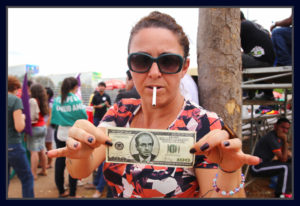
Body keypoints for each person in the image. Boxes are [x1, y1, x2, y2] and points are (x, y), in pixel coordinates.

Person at [48, 11, 260, 198]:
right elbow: (80, 170)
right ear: (130, 66)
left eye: (168, 61)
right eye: (141, 61)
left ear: (184, 67)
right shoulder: (120, 113)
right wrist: (80, 152)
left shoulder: (205, 126)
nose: (154, 72)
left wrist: (229, 172)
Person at [50, 77, 88, 198]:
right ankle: (72, 193)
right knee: (73, 162)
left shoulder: (57, 100)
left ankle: (61, 191)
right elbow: (84, 116)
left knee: (59, 161)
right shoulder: (76, 100)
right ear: (75, 87)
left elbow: (54, 118)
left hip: (60, 134)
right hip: (74, 134)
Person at [250, 118, 292, 198]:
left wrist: (284, 144)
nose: (285, 131)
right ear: (275, 126)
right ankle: (281, 195)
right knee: (286, 167)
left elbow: (286, 155)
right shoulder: (271, 138)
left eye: (287, 129)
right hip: (257, 167)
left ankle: (288, 187)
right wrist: (284, 140)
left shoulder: (278, 138)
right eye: (283, 127)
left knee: (290, 162)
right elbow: (283, 159)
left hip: (266, 163)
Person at [8, 76, 34, 198]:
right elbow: (19, 127)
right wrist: (23, 118)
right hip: (13, 145)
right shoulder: (15, 100)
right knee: (27, 178)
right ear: (14, 87)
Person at [240, 11, 276, 100]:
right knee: (245, 58)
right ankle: (267, 93)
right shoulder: (253, 25)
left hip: (261, 60)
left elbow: (232, 49)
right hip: (268, 59)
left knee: (233, 57)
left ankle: (247, 92)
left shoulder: (242, 25)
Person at [27, 83, 49, 180]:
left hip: (35, 127)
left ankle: (33, 174)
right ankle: (44, 170)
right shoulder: (43, 100)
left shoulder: (32, 100)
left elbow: (32, 116)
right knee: (42, 149)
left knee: (34, 152)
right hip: (43, 127)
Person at [45, 87, 54, 168]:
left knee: (48, 144)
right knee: (45, 144)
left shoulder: (50, 103)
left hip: (48, 126)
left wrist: (46, 125)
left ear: (48, 94)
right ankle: (45, 162)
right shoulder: (45, 102)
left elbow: (50, 116)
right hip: (44, 125)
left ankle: (50, 163)